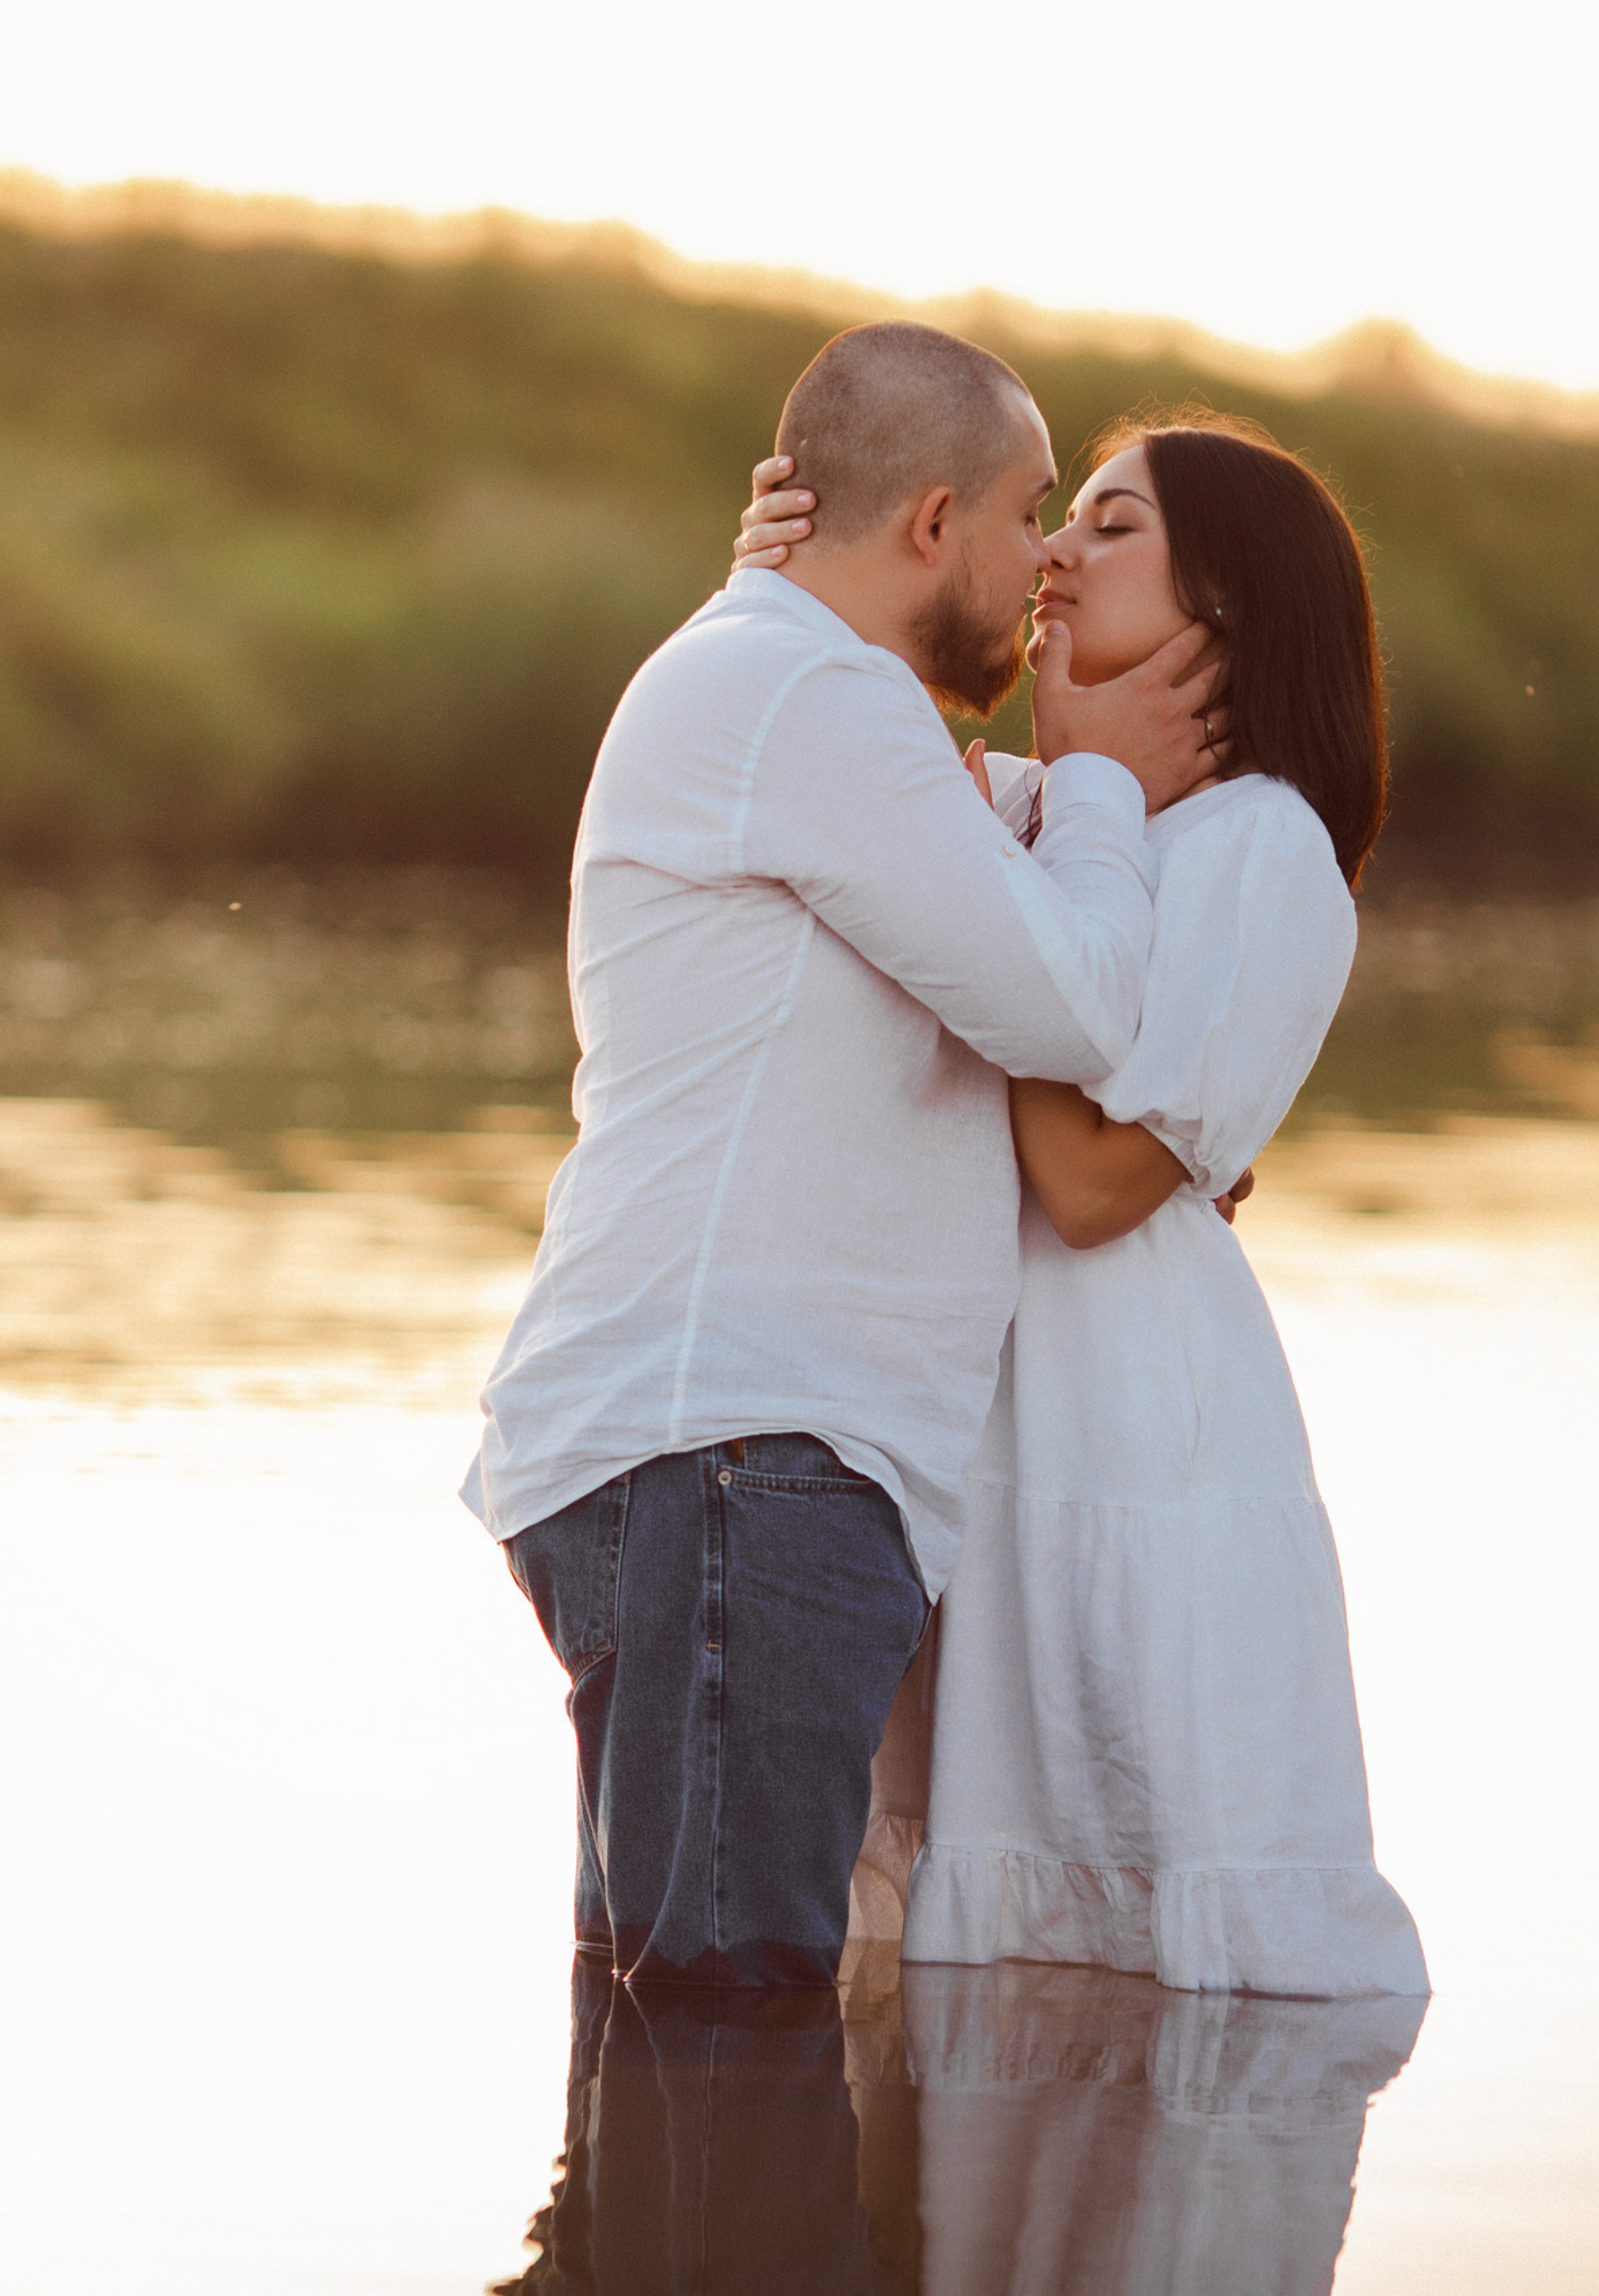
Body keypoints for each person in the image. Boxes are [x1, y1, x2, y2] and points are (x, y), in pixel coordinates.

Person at [464, 321, 1224, 1990]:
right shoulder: (809, 691)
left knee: (675, 2032)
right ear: (934, 522)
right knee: (729, 2041)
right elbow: (1081, 1004)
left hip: (719, 1462)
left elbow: (974, 899)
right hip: (739, 1457)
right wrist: (1100, 784)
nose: (1045, 570)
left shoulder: (796, 687)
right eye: (1035, 515)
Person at [738, 413, 1428, 1996]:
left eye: (1110, 526)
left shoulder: (1262, 844)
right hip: (984, 1427)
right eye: (1066, 517)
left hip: (1129, 1434)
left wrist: (1059, 835)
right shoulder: (1067, 807)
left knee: (1126, 1934)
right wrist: (784, 559)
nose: (1051, 550)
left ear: (1230, 606)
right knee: (937, 1951)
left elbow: (1097, 1183)